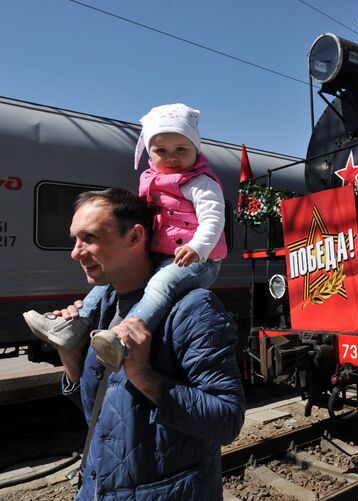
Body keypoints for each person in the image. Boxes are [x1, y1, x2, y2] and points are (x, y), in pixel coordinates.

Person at [55, 188, 245, 499]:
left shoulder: (195, 309)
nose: (76, 252)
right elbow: (104, 417)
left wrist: (144, 377)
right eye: (74, 239)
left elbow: (227, 421)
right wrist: (71, 356)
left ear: (134, 237)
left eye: (89, 238)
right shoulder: (104, 306)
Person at [23, 103, 227, 370]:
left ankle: (125, 335)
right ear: (150, 154)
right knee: (104, 284)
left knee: (160, 285)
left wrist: (198, 247)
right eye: (161, 150)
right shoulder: (150, 179)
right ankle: (73, 325)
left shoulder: (201, 182)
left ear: (196, 150)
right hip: (163, 254)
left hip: (197, 259)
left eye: (181, 149)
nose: (172, 156)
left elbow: (214, 219)